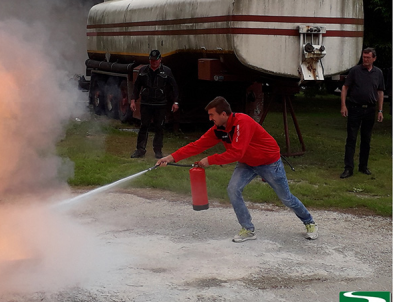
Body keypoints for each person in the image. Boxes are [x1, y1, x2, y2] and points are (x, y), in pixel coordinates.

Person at [156, 96, 318, 243]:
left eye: (212, 115)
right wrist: (170, 158)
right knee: (233, 189)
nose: (210, 118)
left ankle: (309, 222)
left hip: (269, 162)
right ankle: (248, 229)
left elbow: (236, 152)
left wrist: (210, 160)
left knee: (286, 198)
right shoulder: (218, 129)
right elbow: (197, 145)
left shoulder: (243, 122)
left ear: (224, 114)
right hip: (247, 162)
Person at [339, 47, 385, 179]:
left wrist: (380, 110)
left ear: (374, 59)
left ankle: (363, 166)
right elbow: (345, 87)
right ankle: (348, 168)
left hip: (370, 109)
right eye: (364, 57)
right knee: (351, 138)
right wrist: (343, 105)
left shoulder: (378, 73)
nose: (365, 59)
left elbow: (380, 91)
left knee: (366, 138)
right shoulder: (355, 71)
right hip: (355, 108)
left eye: (368, 57)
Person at [129, 49, 179, 159]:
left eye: (156, 60)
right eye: (151, 60)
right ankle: (140, 149)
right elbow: (136, 87)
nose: (154, 63)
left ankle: (158, 151)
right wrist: (133, 100)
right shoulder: (143, 71)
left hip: (160, 104)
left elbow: (174, 87)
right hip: (146, 103)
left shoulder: (166, 71)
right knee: (144, 126)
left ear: (160, 60)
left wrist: (175, 102)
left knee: (159, 127)